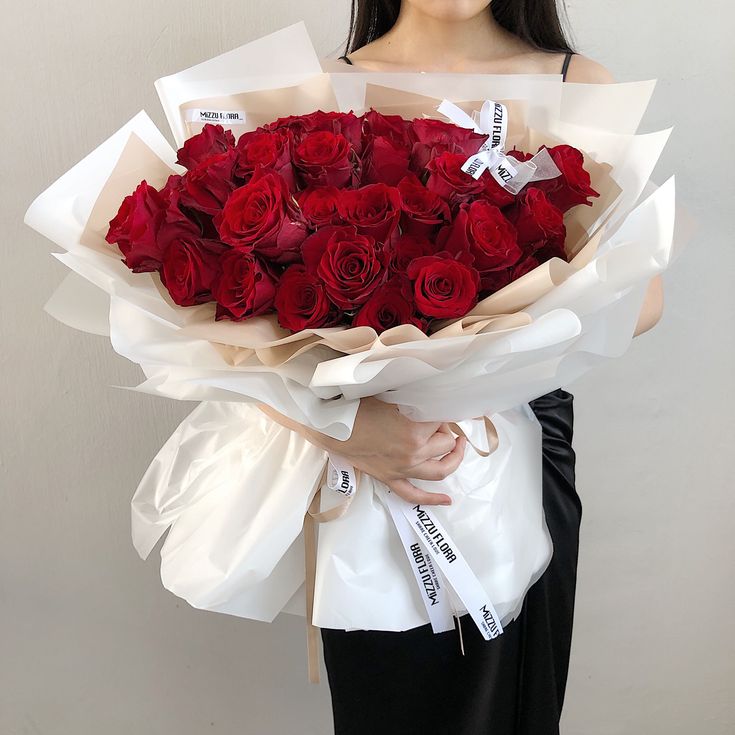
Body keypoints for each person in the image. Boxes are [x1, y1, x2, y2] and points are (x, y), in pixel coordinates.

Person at [261, 2, 665, 732]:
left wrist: (482, 362)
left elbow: (640, 298)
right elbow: (246, 334)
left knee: (507, 708)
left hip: (519, 442)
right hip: (368, 466)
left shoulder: (579, 84)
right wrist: (341, 424)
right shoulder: (318, 89)